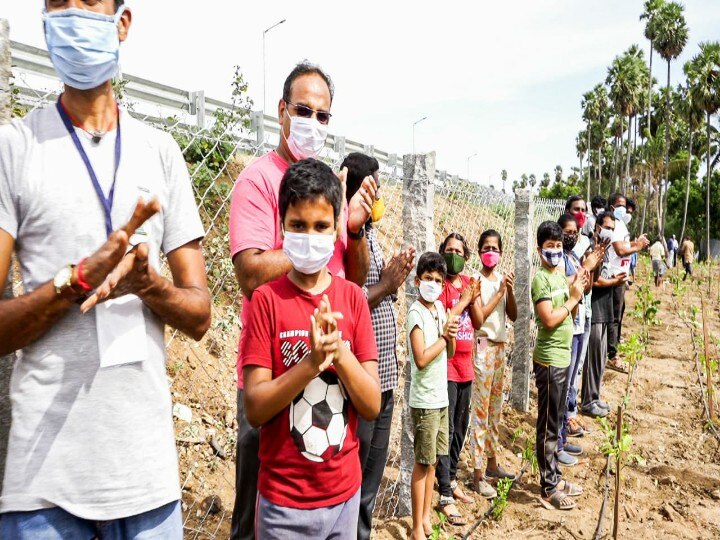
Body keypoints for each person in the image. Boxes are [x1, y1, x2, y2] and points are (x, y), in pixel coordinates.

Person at [0, 2, 212, 537]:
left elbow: (201, 313)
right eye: (57, 3)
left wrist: (149, 285)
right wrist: (74, 282)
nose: (71, 15)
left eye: (88, 1)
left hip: (148, 487)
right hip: (42, 493)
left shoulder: (160, 152)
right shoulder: (14, 148)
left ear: (121, 23)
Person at [228, 63, 376, 539]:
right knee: (256, 512)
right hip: (275, 371)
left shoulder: (332, 191)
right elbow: (250, 272)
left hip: (337, 373)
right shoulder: (257, 181)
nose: (313, 122)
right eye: (303, 110)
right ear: (282, 112)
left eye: (323, 115)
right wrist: (314, 238)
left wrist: (350, 228)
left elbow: (352, 277)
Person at [341, 153, 416, 540]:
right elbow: (347, 299)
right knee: (354, 479)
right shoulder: (343, 237)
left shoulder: (370, 235)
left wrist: (392, 281)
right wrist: (387, 285)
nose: (380, 196)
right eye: (375, 187)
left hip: (385, 371)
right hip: (361, 379)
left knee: (369, 482)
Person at [531, 221, 587, 510]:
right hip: (549, 360)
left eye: (556, 245)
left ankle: (554, 475)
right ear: (539, 248)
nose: (553, 250)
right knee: (549, 424)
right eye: (548, 245)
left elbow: (571, 311)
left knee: (557, 418)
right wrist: (574, 297)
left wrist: (576, 289)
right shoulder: (541, 279)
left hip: (563, 357)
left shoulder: (560, 276)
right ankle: (548, 486)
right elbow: (550, 319)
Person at [407, 252, 459, 540]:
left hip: (440, 398)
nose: (433, 284)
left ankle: (426, 518)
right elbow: (422, 358)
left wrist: (449, 336)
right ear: (417, 281)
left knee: (434, 461)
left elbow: (448, 353)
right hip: (425, 400)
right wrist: (443, 338)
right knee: (423, 462)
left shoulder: (439, 308)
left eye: (438, 280)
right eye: (428, 279)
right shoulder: (416, 313)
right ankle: (416, 527)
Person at [434, 233, 481, 523]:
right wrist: (463, 300)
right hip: (447, 368)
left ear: (466, 256)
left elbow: (476, 322)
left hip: (467, 367)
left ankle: (451, 479)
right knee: (447, 428)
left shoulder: (465, 284)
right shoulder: (440, 287)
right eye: (450, 250)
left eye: (459, 251)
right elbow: (447, 320)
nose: (455, 255)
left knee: (461, 427)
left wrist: (473, 297)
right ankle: (443, 493)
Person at [471, 230, 517, 498]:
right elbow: (479, 319)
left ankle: (492, 464)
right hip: (483, 345)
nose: (491, 252)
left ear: (500, 253)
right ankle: (477, 475)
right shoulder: (475, 281)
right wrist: (500, 293)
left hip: (499, 348)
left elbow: (514, 315)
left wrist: (508, 291)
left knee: (495, 411)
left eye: (495, 248)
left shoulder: (502, 280)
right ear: (479, 252)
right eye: (486, 247)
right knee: (481, 410)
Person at [582, 212, 626, 418]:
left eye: (612, 228)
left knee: (599, 359)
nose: (609, 231)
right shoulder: (592, 248)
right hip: (595, 307)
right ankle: (588, 400)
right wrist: (614, 282)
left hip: (604, 307)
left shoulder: (606, 250)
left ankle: (595, 396)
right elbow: (595, 280)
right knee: (593, 359)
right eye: (606, 226)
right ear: (598, 227)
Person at [605, 193, 648, 374]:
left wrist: (635, 243)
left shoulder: (621, 224)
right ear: (612, 207)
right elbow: (620, 250)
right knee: (614, 317)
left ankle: (612, 348)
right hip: (614, 277)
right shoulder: (613, 223)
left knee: (618, 315)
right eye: (619, 204)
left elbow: (624, 244)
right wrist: (637, 246)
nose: (624, 208)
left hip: (621, 277)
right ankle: (612, 356)